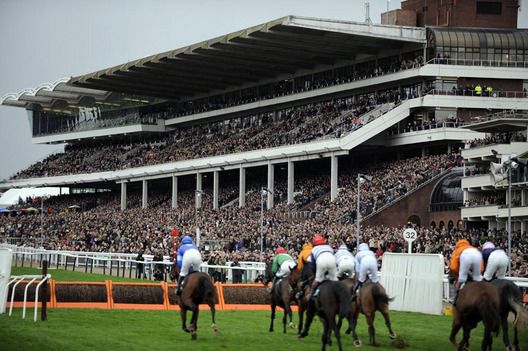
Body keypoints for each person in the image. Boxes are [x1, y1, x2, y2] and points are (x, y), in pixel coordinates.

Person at [449, 239, 483, 305]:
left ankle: (454, 297)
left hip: (466, 256)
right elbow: (481, 268)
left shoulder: (457, 250)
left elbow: (453, 267)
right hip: (477, 254)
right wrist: (479, 271)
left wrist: (456, 274)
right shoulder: (472, 248)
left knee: (462, 278)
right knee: (477, 278)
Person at [308, 235, 337, 300]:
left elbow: (313, 265)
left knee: (317, 280)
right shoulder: (329, 247)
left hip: (321, 261)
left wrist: (315, 273)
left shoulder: (313, 249)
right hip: (332, 260)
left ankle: (311, 295)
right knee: (335, 280)